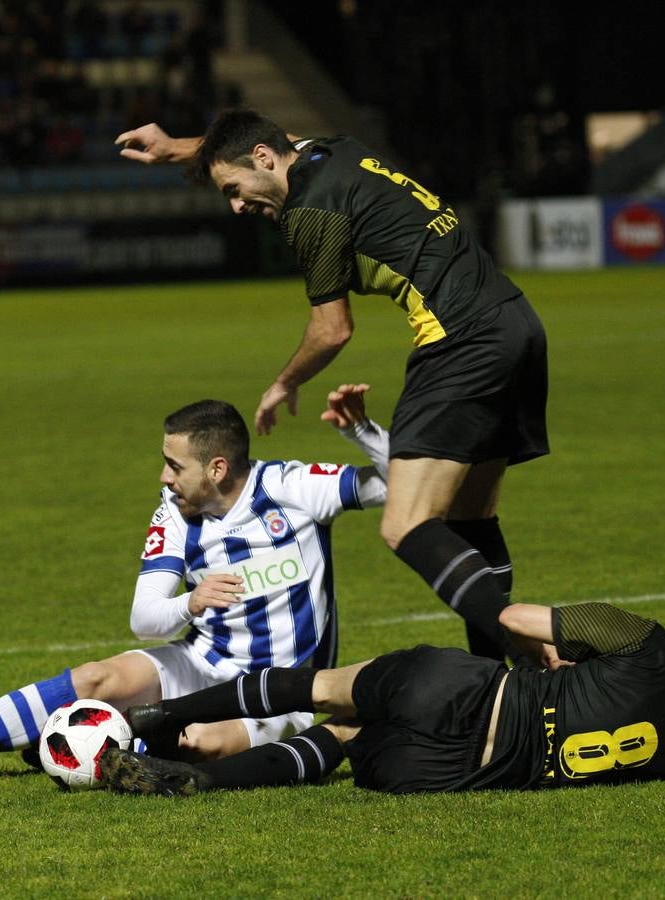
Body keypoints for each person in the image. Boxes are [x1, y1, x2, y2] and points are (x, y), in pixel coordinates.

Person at [116, 110, 548, 664]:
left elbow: (332, 329)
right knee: (471, 518)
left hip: (460, 340)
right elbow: (259, 138)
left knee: (407, 524)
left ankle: (535, 645)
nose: (236, 205)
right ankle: (502, 677)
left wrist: (282, 383)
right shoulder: (330, 148)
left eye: (234, 188)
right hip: (516, 324)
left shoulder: (310, 214)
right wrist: (178, 148)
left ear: (266, 161)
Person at [0, 386, 391, 787]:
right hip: (203, 666)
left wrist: (363, 429)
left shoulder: (292, 489)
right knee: (98, 677)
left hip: (289, 693)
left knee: (202, 745)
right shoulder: (175, 513)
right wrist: (190, 601)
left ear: (217, 468)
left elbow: (402, 482)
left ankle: (79, 746)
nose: (162, 476)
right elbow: (144, 619)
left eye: (174, 464)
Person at [100, 602, 665, 796]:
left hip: (465, 692)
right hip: (449, 775)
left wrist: (559, 651)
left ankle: (169, 716)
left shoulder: (651, 642)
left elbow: (517, 619)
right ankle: (203, 777)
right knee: (342, 737)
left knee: (323, 689)